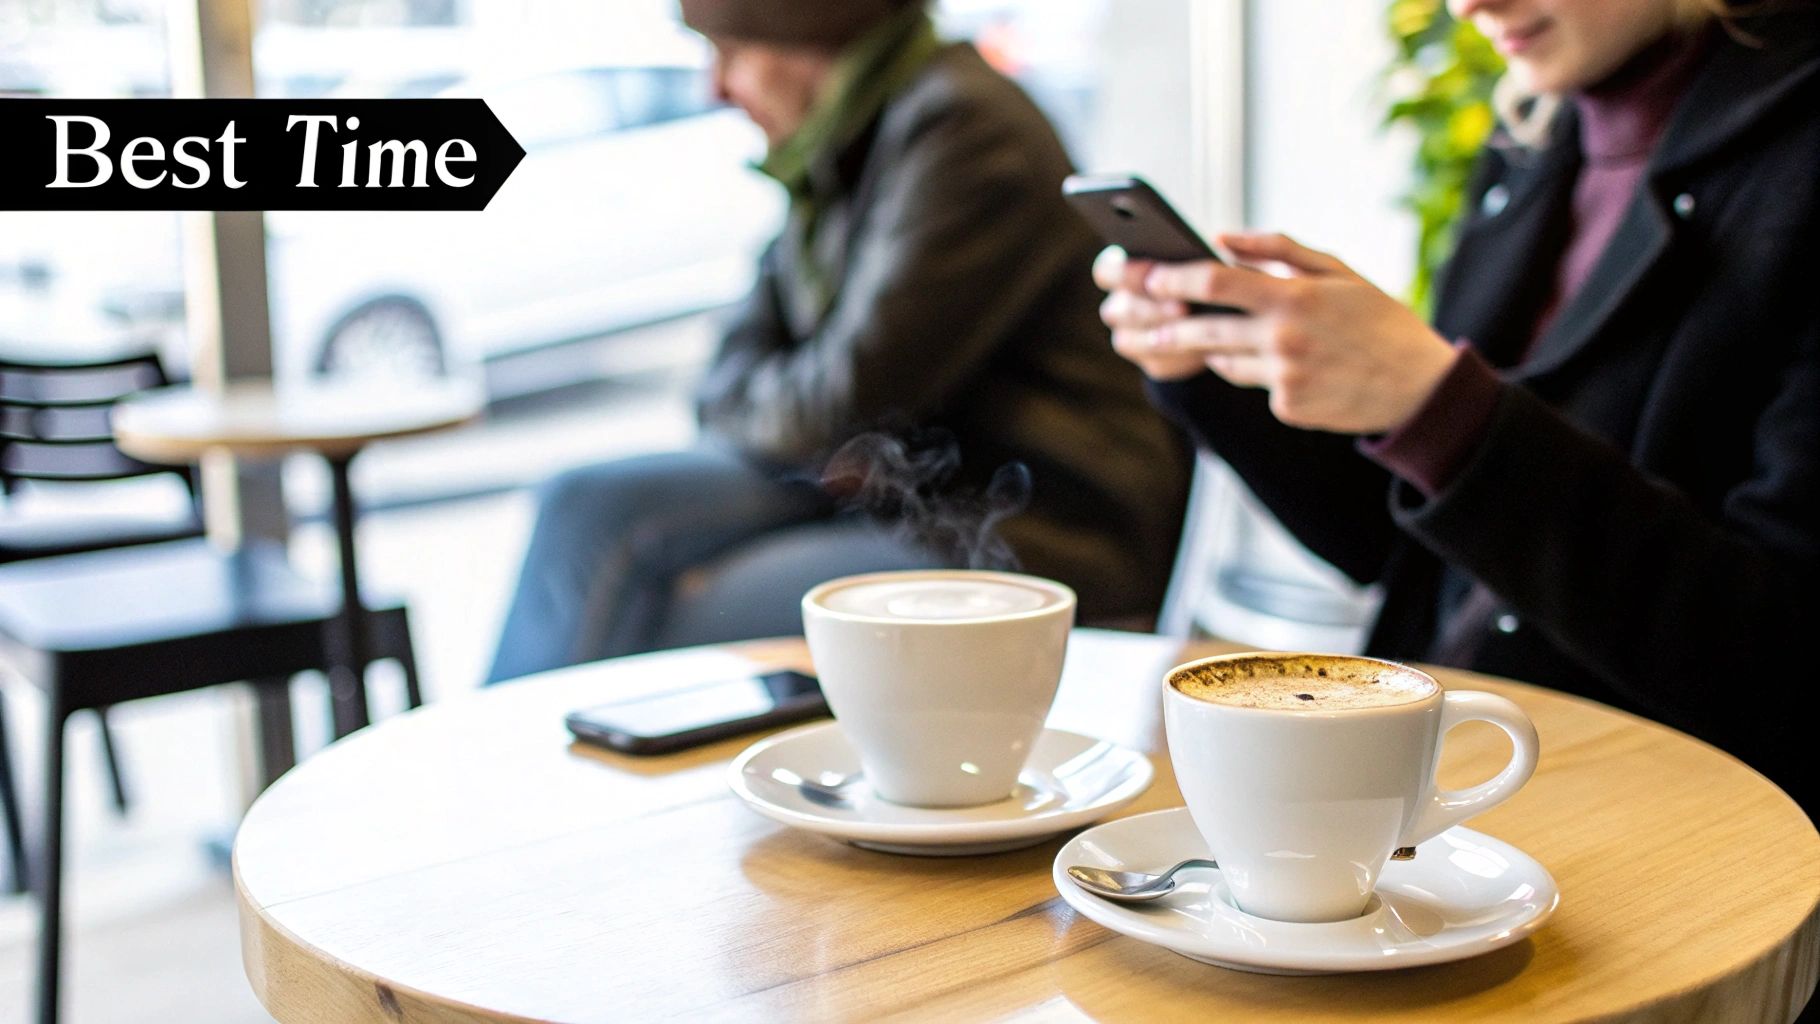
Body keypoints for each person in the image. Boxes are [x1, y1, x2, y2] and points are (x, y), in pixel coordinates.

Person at [1097, 0, 1819, 812]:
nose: (1468, 4)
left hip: (1672, 825)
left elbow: (1784, 670)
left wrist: (1443, 411)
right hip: (1457, 789)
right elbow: (1409, 552)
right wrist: (1223, 371)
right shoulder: (1536, 146)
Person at [486, 0, 1189, 683]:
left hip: (1023, 528)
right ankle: (499, 778)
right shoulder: (840, 140)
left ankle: (529, 785)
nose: (715, 86)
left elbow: (837, 409)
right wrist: (793, 419)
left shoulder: (966, 127)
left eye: (733, 52)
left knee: (670, 609)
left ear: (804, 37)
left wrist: (792, 419)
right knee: (582, 502)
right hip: (876, 490)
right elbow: (730, 377)